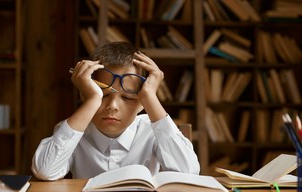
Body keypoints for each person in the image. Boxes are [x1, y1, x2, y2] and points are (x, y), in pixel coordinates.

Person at [32, 42, 200, 180]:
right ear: (87, 95)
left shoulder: (152, 131)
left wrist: (150, 97)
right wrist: (91, 100)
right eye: (102, 95)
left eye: (127, 98)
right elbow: (45, 171)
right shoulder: (73, 130)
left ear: (143, 102)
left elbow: (188, 173)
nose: (113, 106)